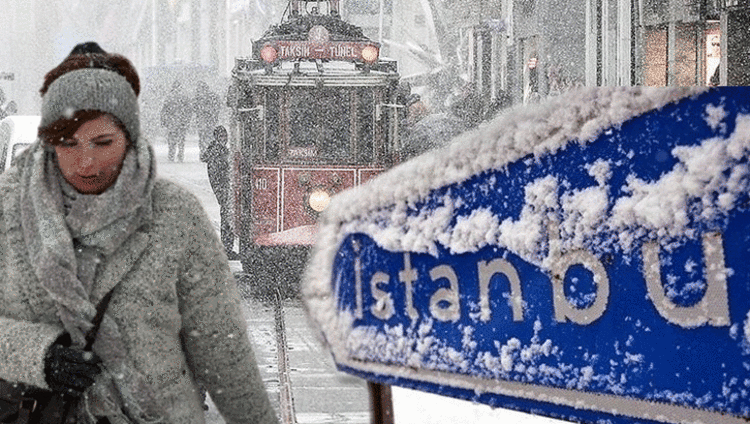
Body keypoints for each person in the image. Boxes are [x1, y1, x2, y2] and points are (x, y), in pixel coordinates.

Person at [0, 42, 277, 424]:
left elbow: (223, 349)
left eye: (103, 143)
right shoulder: (7, 212)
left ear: (128, 139)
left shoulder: (175, 215)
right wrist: (40, 356)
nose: (86, 162)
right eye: (67, 142)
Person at [200, 125, 237, 260]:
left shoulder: (216, 151)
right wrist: (224, 187)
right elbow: (219, 173)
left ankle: (227, 247)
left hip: (222, 188)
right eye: (222, 136)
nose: (224, 139)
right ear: (217, 137)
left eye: (225, 136)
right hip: (223, 188)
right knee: (227, 215)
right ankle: (227, 247)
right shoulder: (218, 152)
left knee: (227, 215)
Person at [160, 80, 192, 162]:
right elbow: (189, 110)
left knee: (171, 140)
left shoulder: (169, 97)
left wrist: (163, 121)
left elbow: (164, 110)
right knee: (181, 140)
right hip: (182, 122)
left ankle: (171, 154)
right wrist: (187, 120)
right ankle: (180, 154)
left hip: (172, 122)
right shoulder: (184, 97)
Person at [193, 81, 221, 158]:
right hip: (211, 120)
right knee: (210, 137)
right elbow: (218, 106)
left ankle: (203, 152)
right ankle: (210, 152)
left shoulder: (198, 97)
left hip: (202, 121)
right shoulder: (213, 96)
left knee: (202, 137)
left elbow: (194, 108)